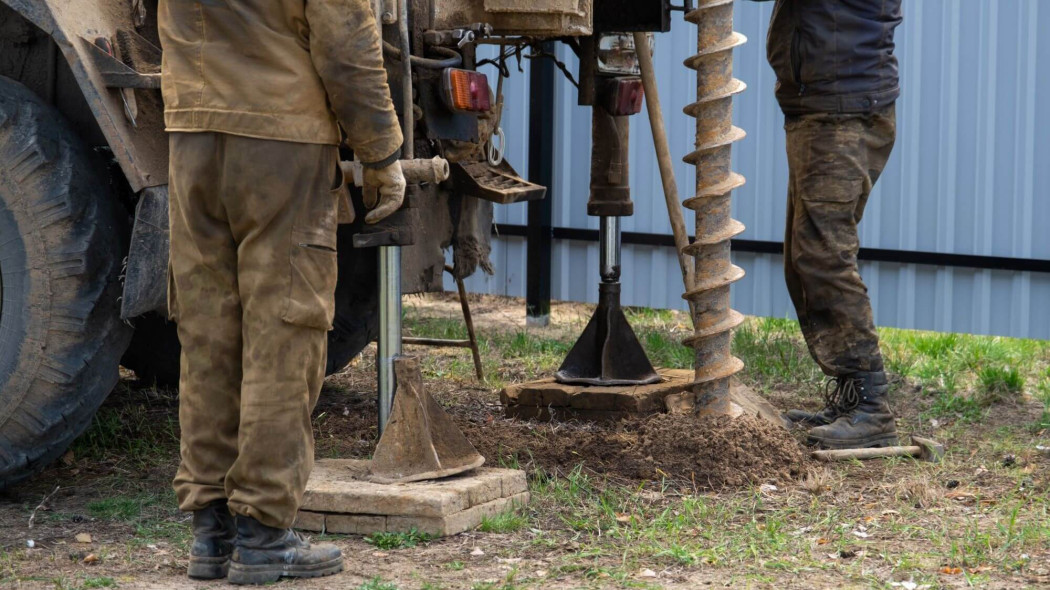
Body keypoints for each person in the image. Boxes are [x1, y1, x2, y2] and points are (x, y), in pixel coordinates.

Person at [158, 0, 406, 583]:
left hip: (190, 136)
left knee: (207, 330)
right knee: (284, 330)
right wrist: (381, 153)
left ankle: (211, 530)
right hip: (280, 137)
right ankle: (265, 532)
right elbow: (347, 42)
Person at [755, 0, 903, 449]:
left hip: (842, 108)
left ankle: (871, 407)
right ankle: (850, 396)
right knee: (803, 259)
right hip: (821, 104)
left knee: (823, 255)